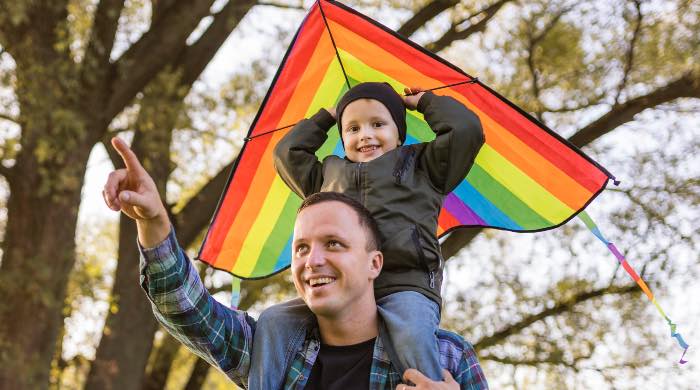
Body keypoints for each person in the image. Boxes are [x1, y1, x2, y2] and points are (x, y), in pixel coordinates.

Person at [102, 137, 488, 389]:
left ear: (374, 263)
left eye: (333, 243)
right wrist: (153, 222)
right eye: (301, 248)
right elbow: (189, 312)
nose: (313, 260)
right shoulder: (272, 347)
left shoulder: (446, 358)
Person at [267, 82, 484, 386]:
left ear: (399, 133)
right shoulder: (326, 176)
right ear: (342, 138)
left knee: (411, 334)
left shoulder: (423, 165)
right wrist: (327, 116)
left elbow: (466, 130)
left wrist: (424, 102)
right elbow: (286, 153)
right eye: (352, 128)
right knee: (272, 321)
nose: (365, 134)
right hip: (341, 289)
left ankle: (428, 384)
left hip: (405, 283)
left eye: (378, 124)